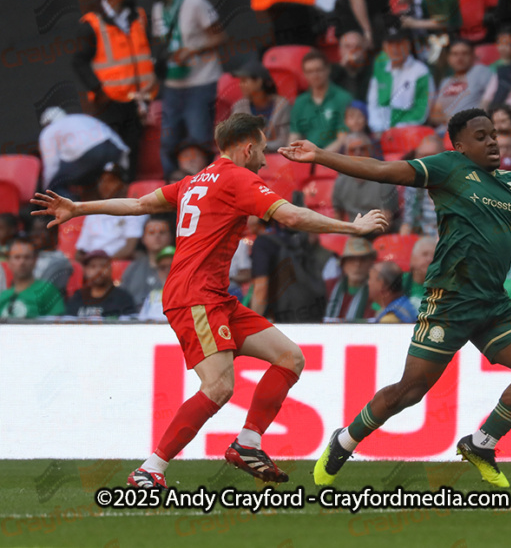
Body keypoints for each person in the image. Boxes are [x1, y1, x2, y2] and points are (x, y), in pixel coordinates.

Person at [278, 108, 511, 489]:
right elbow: (383, 169)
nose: (491, 142)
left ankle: (481, 444)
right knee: (410, 391)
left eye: (493, 135)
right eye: (481, 136)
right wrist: (321, 155)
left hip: (492, 301)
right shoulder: (448, 168)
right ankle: (345, 440)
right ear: (460, 145)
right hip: (450, 298)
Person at [31, 113, 388, 489]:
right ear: (248, 148)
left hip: (214, 296)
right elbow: (293, 217)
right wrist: (353, 227)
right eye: (263, 151)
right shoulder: (238, 178)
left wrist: (80, 208)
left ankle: (248, 442)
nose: (265, 160)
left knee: (290, 357)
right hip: (195, 295)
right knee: (218, 387)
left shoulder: (193, 181)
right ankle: (150, 470)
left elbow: (138, 204)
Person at [138, 0, 226, 179]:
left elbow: (221, 36)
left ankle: (204, 189)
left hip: (201, 81)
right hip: (173, 84)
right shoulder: (158, 9)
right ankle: (173, 192)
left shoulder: (194, 2)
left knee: (198, 139)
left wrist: (194, 49)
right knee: (167, 142)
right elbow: (165, 46)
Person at [72, 0, 156, 180]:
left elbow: (149, 50)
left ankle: (132, 194)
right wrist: (97, 89)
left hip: (141, 97)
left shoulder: (139, 16)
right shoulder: (92, 23)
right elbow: (79, 61)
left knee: (135, 150)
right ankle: (110, 198)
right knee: (112, 153)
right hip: (111, 102)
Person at [38, 107, 129, 198]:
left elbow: (51, 163)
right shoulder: (83, 117)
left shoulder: (49, 130)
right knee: (106, 181)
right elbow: (110, 134)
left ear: (46, 124)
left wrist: (46, 187)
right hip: (112, 148)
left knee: (55, 185)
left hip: (88, 155)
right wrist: (124, 160)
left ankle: (74, 210)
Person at [367, 25, 435, 134]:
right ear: (384, 46)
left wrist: (392, 129)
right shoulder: (379, 65)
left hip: (408, 132)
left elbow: (421, 113)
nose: (394, 49)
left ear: (408, 44)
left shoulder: (421, 72)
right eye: (390, 44)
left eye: (399, 44)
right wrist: (377, 127)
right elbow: (372, 103)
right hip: (379, 131)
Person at [75, 164, 145, 261]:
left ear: (124, 185)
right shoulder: (93, 212)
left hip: (115, 264)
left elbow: (129, 249)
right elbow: (81, 250)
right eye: (102, 180)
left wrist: (103, 264)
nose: (105, 185)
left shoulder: (134, 209)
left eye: (111, 181)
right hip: (91, 264)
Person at [289, 51, 353, 150]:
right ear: (304, 74)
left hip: (334, 159)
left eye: (318, 70)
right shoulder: (300, 102)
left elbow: (343, 139)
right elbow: (294, 135)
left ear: (328, 69)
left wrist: (320, 158)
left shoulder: (343, 98)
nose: (315, 75)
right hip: (307, 158)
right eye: (310, 71)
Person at [332, 134, 400, 227]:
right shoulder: (341, 181)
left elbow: (386, 221)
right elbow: (338, 215)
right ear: (346, 153)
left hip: (377, 232)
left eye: (362, 149)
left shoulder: (384, 178)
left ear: (370, 150)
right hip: (353, 231)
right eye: (353, 150)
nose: (358, 153)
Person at [428, 39, 493, 127]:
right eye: (455, 54)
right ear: (448, 58)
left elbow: (493, 99)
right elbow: (434, 116)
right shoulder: (446, 82)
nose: (459, 58)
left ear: (472, 56)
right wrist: (449, 119)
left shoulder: (480, 71)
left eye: (464, 53)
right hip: (445, 130)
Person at [230, 61, 291, 153]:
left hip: (277, 158)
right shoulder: (239, 107)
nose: (241, 85)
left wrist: (259, 147)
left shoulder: (282, 105)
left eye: (244, 81)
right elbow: (234, 140)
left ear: (259, 81)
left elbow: (284, 141)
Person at [119, 214, 175, 307]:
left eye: (162, 232)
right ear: (143, 239)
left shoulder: (180, 266)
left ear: (171, 237)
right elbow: (121, 297)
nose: (157, 236)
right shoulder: (133, 268)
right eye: (151, 232)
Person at [0, 239, 64, 318]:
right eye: (17, 257)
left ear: (35, 261)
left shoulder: (47, 290)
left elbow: (56, 324)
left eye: (27, 257)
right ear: (9, 262)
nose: (22, 262)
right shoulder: (2, 296)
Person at [65, 250, 137, 318]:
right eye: (93, 266)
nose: (98, 270)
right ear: (86, 271)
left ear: (110, 269)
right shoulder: (78, 297)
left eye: (103, 266)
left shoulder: (123, 298)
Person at [400, 135, 446, 236]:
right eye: (422, 156)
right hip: (423, 239)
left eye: (432, 156)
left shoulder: (457, 184)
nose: (427, 161)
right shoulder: (414, 186)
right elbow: (408, 222)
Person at [325, 236, 377, 320]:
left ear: (371, 264)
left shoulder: (377, 292)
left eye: (363, 259)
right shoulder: (328, 286)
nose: (357, 265)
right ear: (343, 264)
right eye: (352, 259)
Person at [28, 217, 73, 297]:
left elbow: (44, 292)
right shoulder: (28, 257)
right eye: (34, 230)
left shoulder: (60, 262)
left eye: (41, 230)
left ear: (54, 234)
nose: (36, 234)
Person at [329, 31, 374, 101]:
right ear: (340, 50)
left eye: (357, 47)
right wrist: (342, 67)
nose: (353, 50)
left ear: (364, 51)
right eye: (347, 46)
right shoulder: (331, 71)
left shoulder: (373, 70)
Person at [402, 236, 436, 311]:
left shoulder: (446, 286)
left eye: (434, 256)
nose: (429, 259)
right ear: (412, 259)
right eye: (425, 254)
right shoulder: (399, 281)